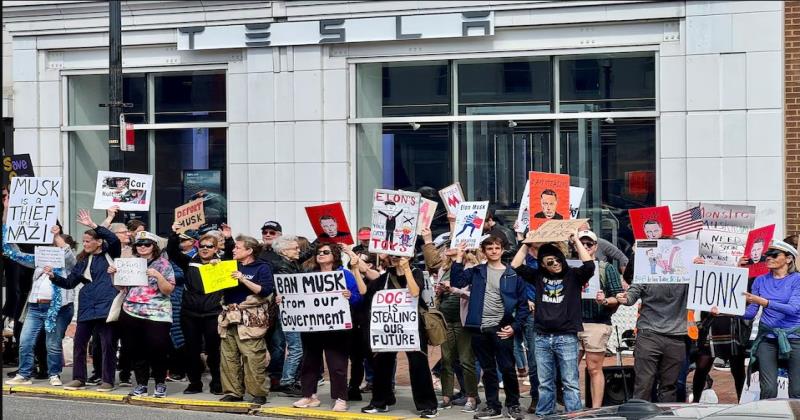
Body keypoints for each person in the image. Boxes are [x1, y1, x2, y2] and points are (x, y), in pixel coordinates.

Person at [511, 233, 594, 416]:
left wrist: (575, 240)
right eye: (550, 262)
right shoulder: (538, 276)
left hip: (566, 336)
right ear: (542, 264)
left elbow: (589, 265)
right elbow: (515, 265)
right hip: (541, 336)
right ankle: (544, 414)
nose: (555, 264)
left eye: (558, 260)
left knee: (570, 381)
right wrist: (527, 242)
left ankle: (574, 415)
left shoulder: (573, 275)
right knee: (545, 382)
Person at [451, 236, 529, 420]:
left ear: (502, 250)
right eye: (490, 248)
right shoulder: (477, 271)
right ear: (484, 251)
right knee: (488, 369)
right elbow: (457, 282)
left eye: (497, 247)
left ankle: (513, 405)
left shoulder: (512, 275)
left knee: (508, 368)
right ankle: (493, 405)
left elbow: (523, 306)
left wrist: (514, 327)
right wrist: (459, 257)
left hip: (502, 328)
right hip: (479, 328)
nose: (494, 251)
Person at [48, 209, 121, 391]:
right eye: (84, 241)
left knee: (107, 345)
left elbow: (114, 240)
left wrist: (93, 225)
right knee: (79, 343)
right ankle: (79, 378)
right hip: (87, 306)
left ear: (98, 242)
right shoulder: (83, 260)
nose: (85, 244)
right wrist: (52, 276)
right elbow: (70, 283)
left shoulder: (111, 253)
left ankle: (107, 380)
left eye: (88, 241)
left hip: (106, 305)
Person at [360, 254, 438, 419]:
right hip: (388, 328)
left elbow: (415, 291)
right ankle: (381, 401)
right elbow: (364, 291)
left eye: (400, 255)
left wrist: (406, 268)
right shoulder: (386, 276)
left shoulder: (416, 272)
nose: (395, 258)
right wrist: (354, 267)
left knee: (418, 365)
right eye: (392, 255)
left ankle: (428, 405)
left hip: (412, 327)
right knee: (382, 363)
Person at [291, 243, 362, 411]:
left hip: (336, 328)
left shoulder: (345, 275)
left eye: (325, 252)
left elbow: (359, 299)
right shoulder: (309, 275)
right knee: (309, 361)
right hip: (312, 327)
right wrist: (285, 299)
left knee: (337, 363)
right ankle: (309, 395)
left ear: (335, 256)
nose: (321, 254)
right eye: (319, 252)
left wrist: (350, 296)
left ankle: (340, 398)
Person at [3, 223, 77, 387]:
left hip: (58, 308)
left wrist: (57, 236)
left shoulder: (70, 263)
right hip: (35, 307)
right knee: (25, 341)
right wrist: (6, 224)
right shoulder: (40, 261)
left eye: (56, 244)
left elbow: (69, 256)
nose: (53, 247)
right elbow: (17, 255)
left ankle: (54, 374)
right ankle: (24, 374)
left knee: (52, 343)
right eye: (51, 244)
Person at [420, 227, 479, 413]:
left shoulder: (473, 268)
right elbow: (431, 260)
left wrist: (454, 290)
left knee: (466, 360)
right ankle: (446, 397)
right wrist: (439, 291)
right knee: (446, 360)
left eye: (450, 245)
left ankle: (472, 397)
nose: (446, 248)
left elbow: (474, 294)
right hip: (446, 318)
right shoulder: (444, 268)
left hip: (463, 320)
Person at [109, 231, 176, 398]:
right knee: (135, 349)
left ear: (154, 247)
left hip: (157, 313)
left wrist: (158, 276)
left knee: (158, 348)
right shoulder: (131, 263)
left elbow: (168, 290)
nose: (143, 247)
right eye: (139, 244)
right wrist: (113, 275)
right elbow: (121, 288)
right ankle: (141, 384)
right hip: (131, 311)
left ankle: (160, 382)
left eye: (147, 244)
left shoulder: (163, 264)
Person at [616, 258, 690, 402]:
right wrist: (626, 297)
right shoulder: (647, 272)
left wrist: (697, 268)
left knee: (669, 387)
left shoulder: (686, 274)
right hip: (649, 335)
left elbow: (703, 287)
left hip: (676, 336)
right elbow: (633, 293)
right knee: (643, 385)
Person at [166, 227, 224, 395]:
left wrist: (227, 240)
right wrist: (174, 234)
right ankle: (195, 383)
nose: (205, 248)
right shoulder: (189, 262)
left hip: (213, 314)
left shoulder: (222, 264)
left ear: (215, 249)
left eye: (209, 246)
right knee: (192, 350)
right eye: (202, 245)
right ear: (198, 247)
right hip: (190, 314)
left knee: (214, 351)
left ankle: (217, 382)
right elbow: (172, 252)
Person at [218, 235, 274, 405]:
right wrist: (214, 268)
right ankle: (233, 392)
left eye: (237, 247)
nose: (233, 250)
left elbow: (265, 291)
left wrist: (242, 278)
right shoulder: (230, 265)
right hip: (229, 315)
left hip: (251, 317)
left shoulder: (262, 267)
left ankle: (258, 393)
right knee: (229, 356)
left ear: (249, 250)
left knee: (253, 355)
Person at [744, 240, 800, 399]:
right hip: (767, 338)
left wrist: (765, 302)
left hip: (794, 338)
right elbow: (750, 312)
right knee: (768, 389)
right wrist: (726, 310)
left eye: (774, 255)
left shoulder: (797, 280)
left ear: (788, 259)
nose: (768, 258)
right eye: (767, 255)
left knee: (797, 390)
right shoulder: (760, 280)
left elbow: (793, 309)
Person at [573, 230, 624, 408]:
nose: (586, 247)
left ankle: (595, 409)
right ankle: (572, 407)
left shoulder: (606, 268)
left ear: (596, 247)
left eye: (590, 244)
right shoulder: (570, 266)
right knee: (568, 370)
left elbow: (618, 297)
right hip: (571, 323)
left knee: (594, 368)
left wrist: (605, 300)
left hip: (597, 323)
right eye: (582, 243)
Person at [269, 235, 304, 397]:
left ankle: (292, 379)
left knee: (297, 347)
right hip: (289, 312)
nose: (299, 250)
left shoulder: (293, 263)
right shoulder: (282, 267)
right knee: (296, 347)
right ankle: (288, 381)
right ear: (283, 251)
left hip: (295, 311)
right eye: (295, 248)